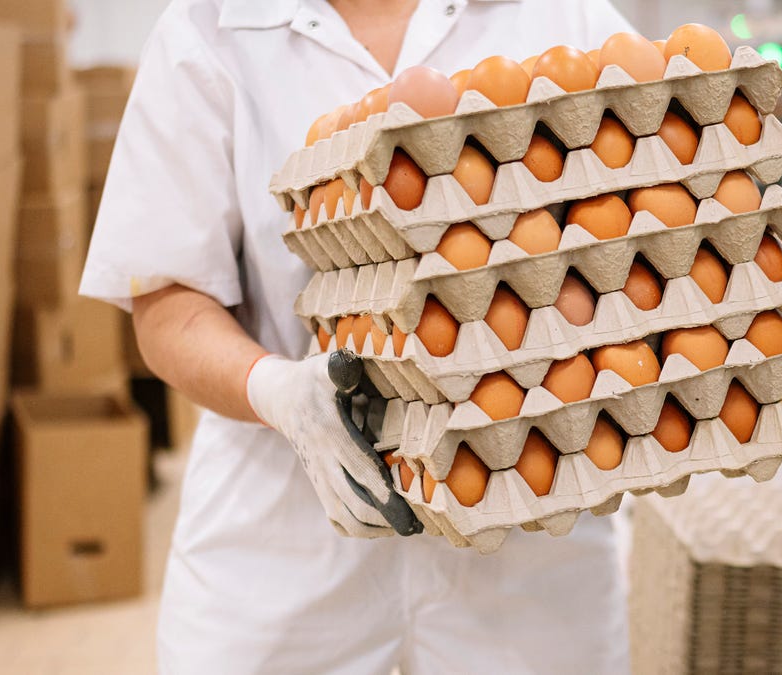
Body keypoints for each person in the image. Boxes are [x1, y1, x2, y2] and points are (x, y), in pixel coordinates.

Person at [79, 1, 636, 672]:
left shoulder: (560, 17)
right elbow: (168, 303)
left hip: (528, 540)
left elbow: (647, 232)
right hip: (284, 539)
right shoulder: (207, 32)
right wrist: (278, 392)